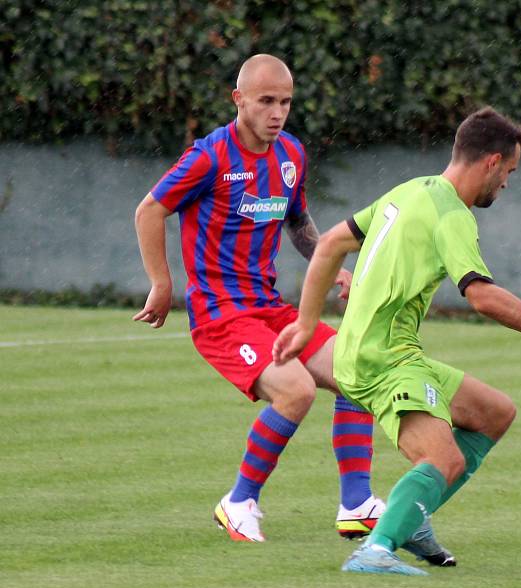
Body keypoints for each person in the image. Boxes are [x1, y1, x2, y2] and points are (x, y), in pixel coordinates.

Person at [272, 106, 521, 575]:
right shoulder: (453, 216)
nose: (506, 185)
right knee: (444, 459)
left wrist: (306, 322)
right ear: (492, 161)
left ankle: (412, 521)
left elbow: (332, 241)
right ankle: (375, 551)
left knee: (495, 413)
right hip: (384, 360)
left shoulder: (411, 189)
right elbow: (482, 296)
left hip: (378, 352)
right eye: (510, 173)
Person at [133, 54, 386, 544]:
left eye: (285, 102)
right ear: (239, 100)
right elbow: (149, 210)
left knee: (362, 370)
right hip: (221, 316)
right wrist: (162, 283)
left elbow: (296, 221)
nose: (277, 112)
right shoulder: (209, 157)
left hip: (269, 309)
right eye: (266, 101)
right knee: (297, 390)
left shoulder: (290, 154)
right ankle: (239, 502)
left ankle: (356, 504)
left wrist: (334, 269)